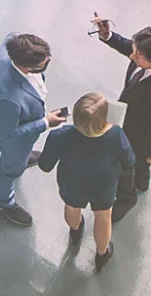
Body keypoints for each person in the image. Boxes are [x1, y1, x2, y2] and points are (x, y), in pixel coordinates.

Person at [88, 15, 151, 221]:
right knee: (140, 168)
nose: (132, 57)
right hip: (132, 113)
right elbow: (133, 49)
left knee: (130, 164)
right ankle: (142, 182)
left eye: (138, 57)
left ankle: (126, 197)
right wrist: (109, 36)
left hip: (141, 135)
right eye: (134, 51)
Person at [35, 92, 134, 271]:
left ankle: (75, 230)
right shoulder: (116, 135)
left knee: (71, 208)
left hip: (71, 183)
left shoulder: (60, 136)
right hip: (103, 186)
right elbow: (129, 161)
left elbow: (45, 165)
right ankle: (102, 254)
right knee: (103, 216)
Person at [0, 33, 67, 226]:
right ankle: (4, 202)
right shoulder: (8, 98)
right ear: (25, 67)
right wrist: (45, 122)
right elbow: (9, 135)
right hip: (15, 140)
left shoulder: (12, 43)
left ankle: (25, 156)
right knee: (9, 169)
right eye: (43, 62)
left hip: (22, 122)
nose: (48, 61)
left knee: (21, 154)